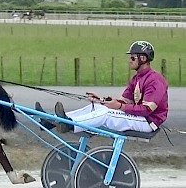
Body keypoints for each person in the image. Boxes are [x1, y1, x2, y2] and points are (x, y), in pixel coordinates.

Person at [36, 40, 168, 133]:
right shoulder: (136, 78)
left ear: (143, 59)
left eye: (133, 58)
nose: (129, 60)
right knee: (96, 107)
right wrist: (101, 100)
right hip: (139, 118)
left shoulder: (155, 80)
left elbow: (146, 110)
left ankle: (69, 124)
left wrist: (119, 106)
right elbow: (124, 102)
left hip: (148, 122)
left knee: (105, 114)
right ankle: (51, 120)